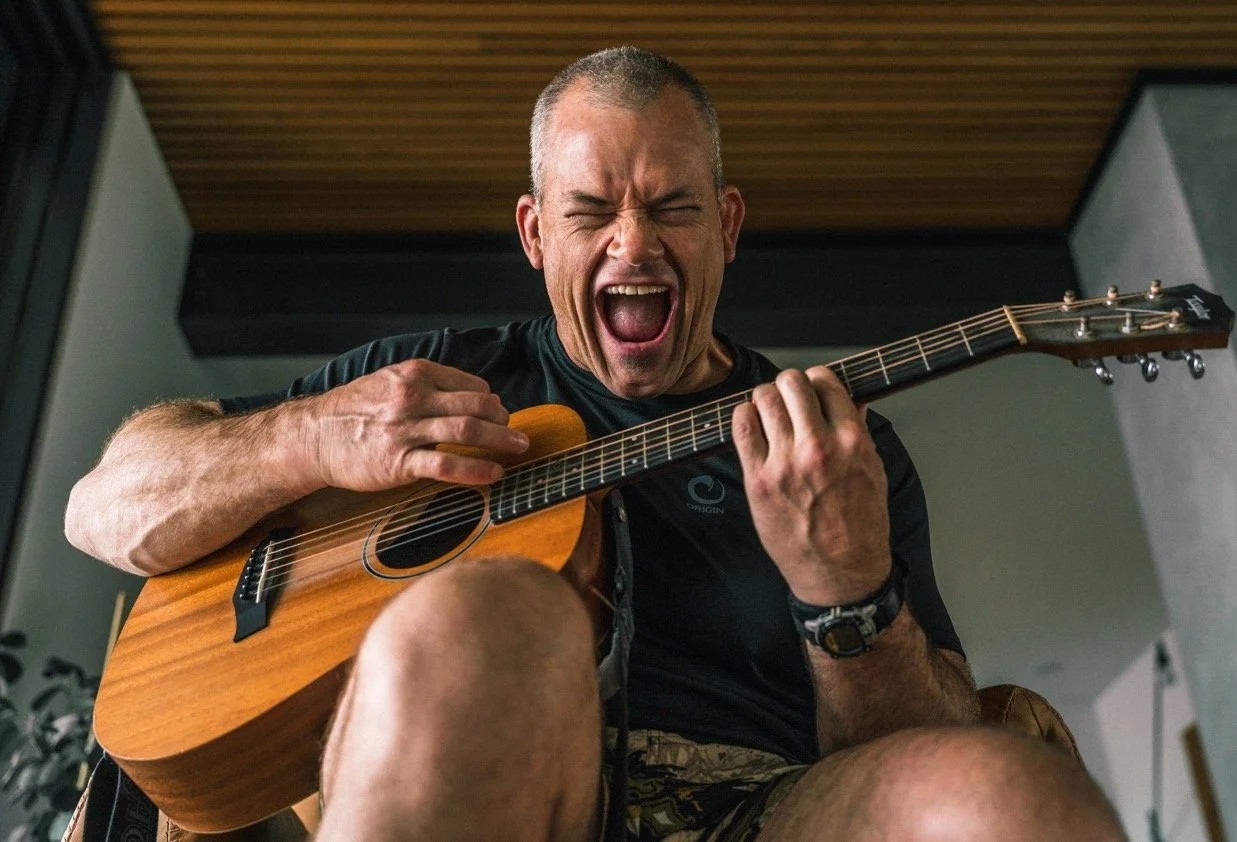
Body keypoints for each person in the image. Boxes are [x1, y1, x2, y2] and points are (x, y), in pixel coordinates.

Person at [65, 47, 1123, 842]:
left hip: (764, 803)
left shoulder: (840, 447)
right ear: (534, 235)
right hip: (488, 770)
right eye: (590, 213)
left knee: (1005, 793)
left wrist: (846, 589)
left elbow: (916, 741)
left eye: (673, 207)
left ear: (727, 224)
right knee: (498, 607)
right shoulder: (441, 371)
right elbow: (102, 506)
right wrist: (304, 435)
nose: (634, 243)